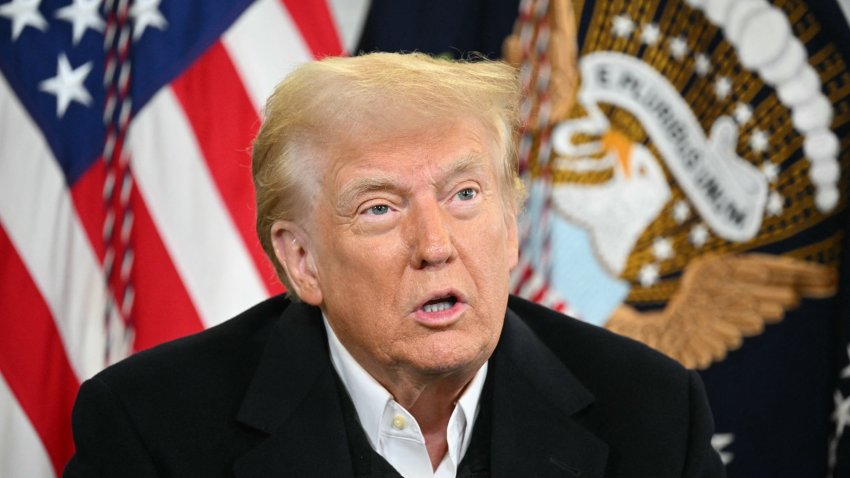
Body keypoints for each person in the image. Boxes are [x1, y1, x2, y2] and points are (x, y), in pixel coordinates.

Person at [64, 52, 725, 477]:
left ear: (512, 224)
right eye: (380, 208)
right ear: (302, 261)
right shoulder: (152, 429)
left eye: (465, 195)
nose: (436, 245)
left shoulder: (653, 414)